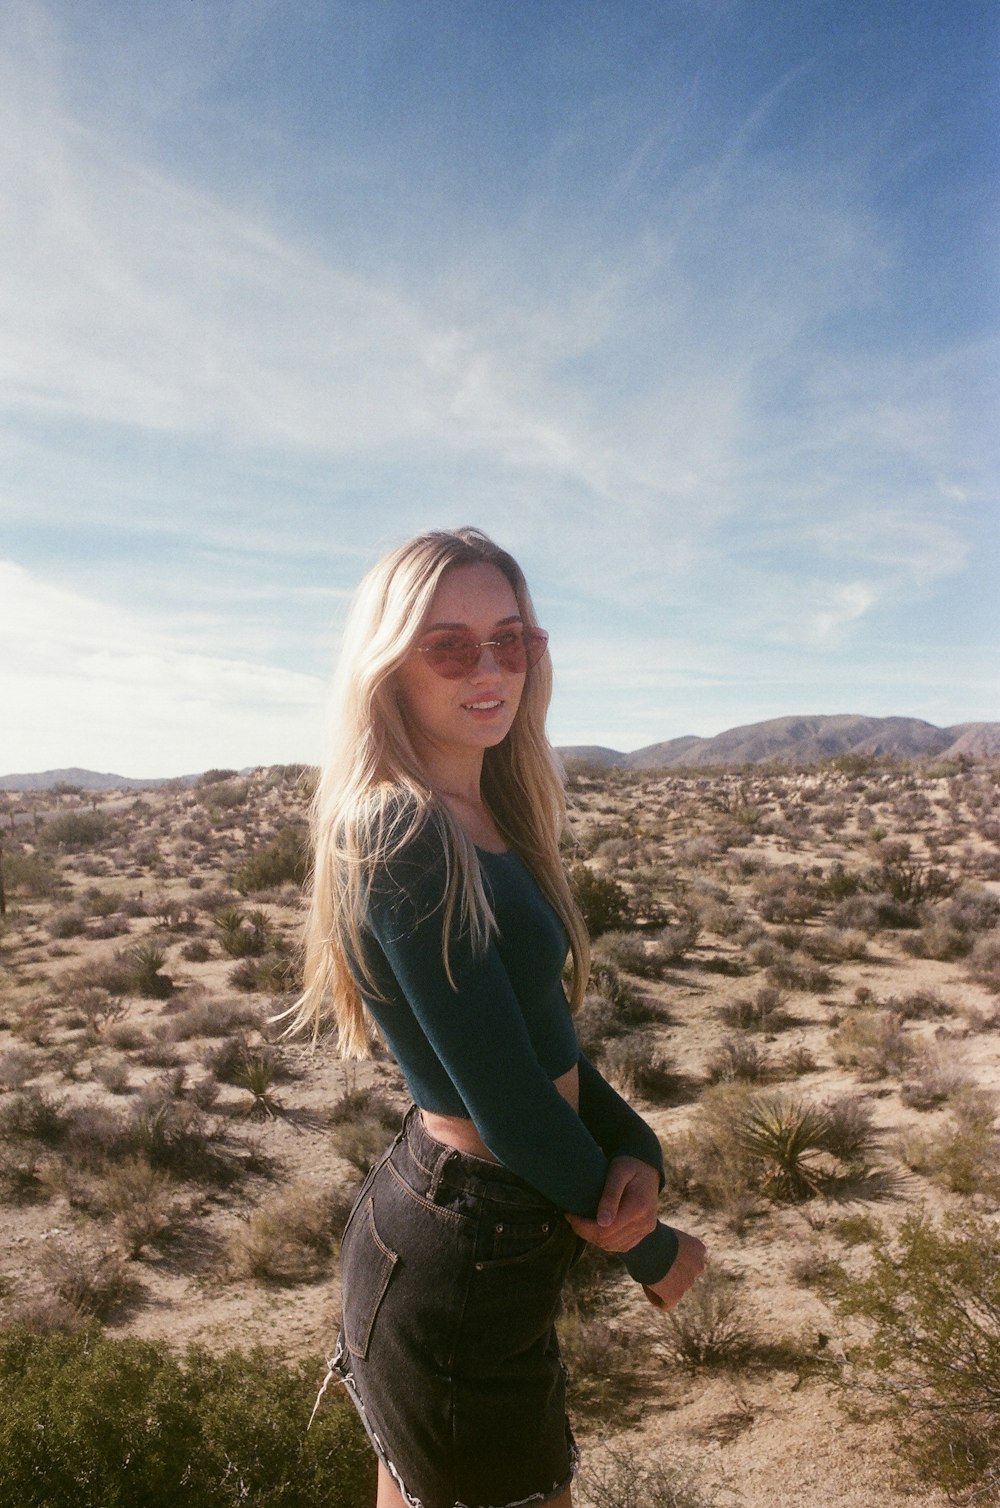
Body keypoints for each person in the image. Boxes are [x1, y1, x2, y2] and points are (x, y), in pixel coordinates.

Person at [288, 527, 706, 1508]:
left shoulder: (484, 810)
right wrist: (647, 1244)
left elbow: (534, 1041)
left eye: (510, 639)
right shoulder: (400, 827)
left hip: (482, 1227)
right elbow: (511, 1102)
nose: (490, 669)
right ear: (388, 663)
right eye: (451, 645)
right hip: (467, 1235)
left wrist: (631, 1140)